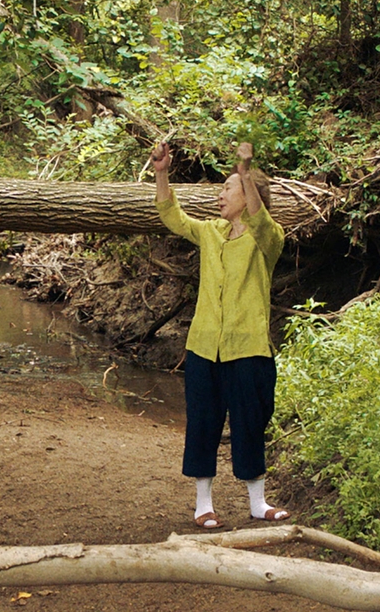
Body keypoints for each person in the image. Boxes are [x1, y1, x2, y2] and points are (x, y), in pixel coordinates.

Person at [152, 140, 291, 529]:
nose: (220, 196)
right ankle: (203, 505)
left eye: (227, 189)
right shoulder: (211, 232)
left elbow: (262, 221)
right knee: (203, 422)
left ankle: (258, 503)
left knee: (250, 422)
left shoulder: (268, 239)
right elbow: (171, 215)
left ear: (248, 196)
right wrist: (162, 172)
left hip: (247, 350)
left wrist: (244, 172)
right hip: (203, 349)